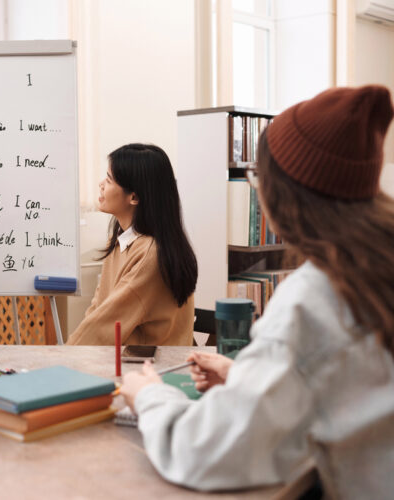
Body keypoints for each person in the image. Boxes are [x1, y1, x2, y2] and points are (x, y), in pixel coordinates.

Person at [120, 86, 394, 498]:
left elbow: (204, 451)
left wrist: (150, 397)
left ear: (283, 194)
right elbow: (348, 378)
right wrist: (248, 375)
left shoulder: (313, 301)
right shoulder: (373, 270)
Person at [67, 144, 198, 346]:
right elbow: (97, 311)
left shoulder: (150, 254)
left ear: (134, 197)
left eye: (109, 179)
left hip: (151, 369)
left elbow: (105, 323)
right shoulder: (123, 241)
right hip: (127, 362)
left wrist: (63, 358)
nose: (101, 184)